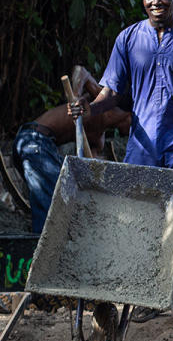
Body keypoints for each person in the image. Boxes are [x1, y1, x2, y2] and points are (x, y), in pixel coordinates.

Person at [67, 0, 173, 321]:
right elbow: (113, 91)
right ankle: (148, 293)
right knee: (139, 215)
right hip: (145, 140)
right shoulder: (129, 39)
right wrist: (89, 107)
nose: (156, 2)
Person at [15, 67, 130, 233]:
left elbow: (92, 169)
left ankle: (45, 243)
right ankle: (44, 248)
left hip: (44, 148)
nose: (130, 134)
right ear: (130, 116)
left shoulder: (98, 138)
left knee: (62, 196)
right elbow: (80, 71)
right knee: (55, 200)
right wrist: (75, 96)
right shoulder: (104, 102)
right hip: (33, 139)